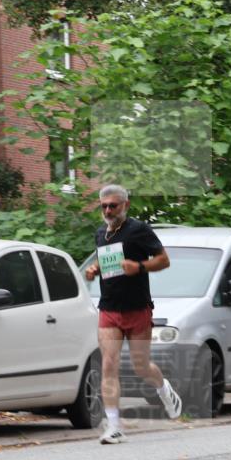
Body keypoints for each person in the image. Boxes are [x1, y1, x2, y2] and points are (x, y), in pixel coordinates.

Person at [84, 184, 182, 444]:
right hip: (109, 308)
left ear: (125, 205)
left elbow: (164, 260)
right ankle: (114, 426)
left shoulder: (139, 230)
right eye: (103, 206)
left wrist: (138, 266)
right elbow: (108, 264)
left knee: (141, 367)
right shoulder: (100, 234)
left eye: (113, 205)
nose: (107, 210)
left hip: (137, 308)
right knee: (108, 364)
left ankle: (163, 388)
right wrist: (94, 269)